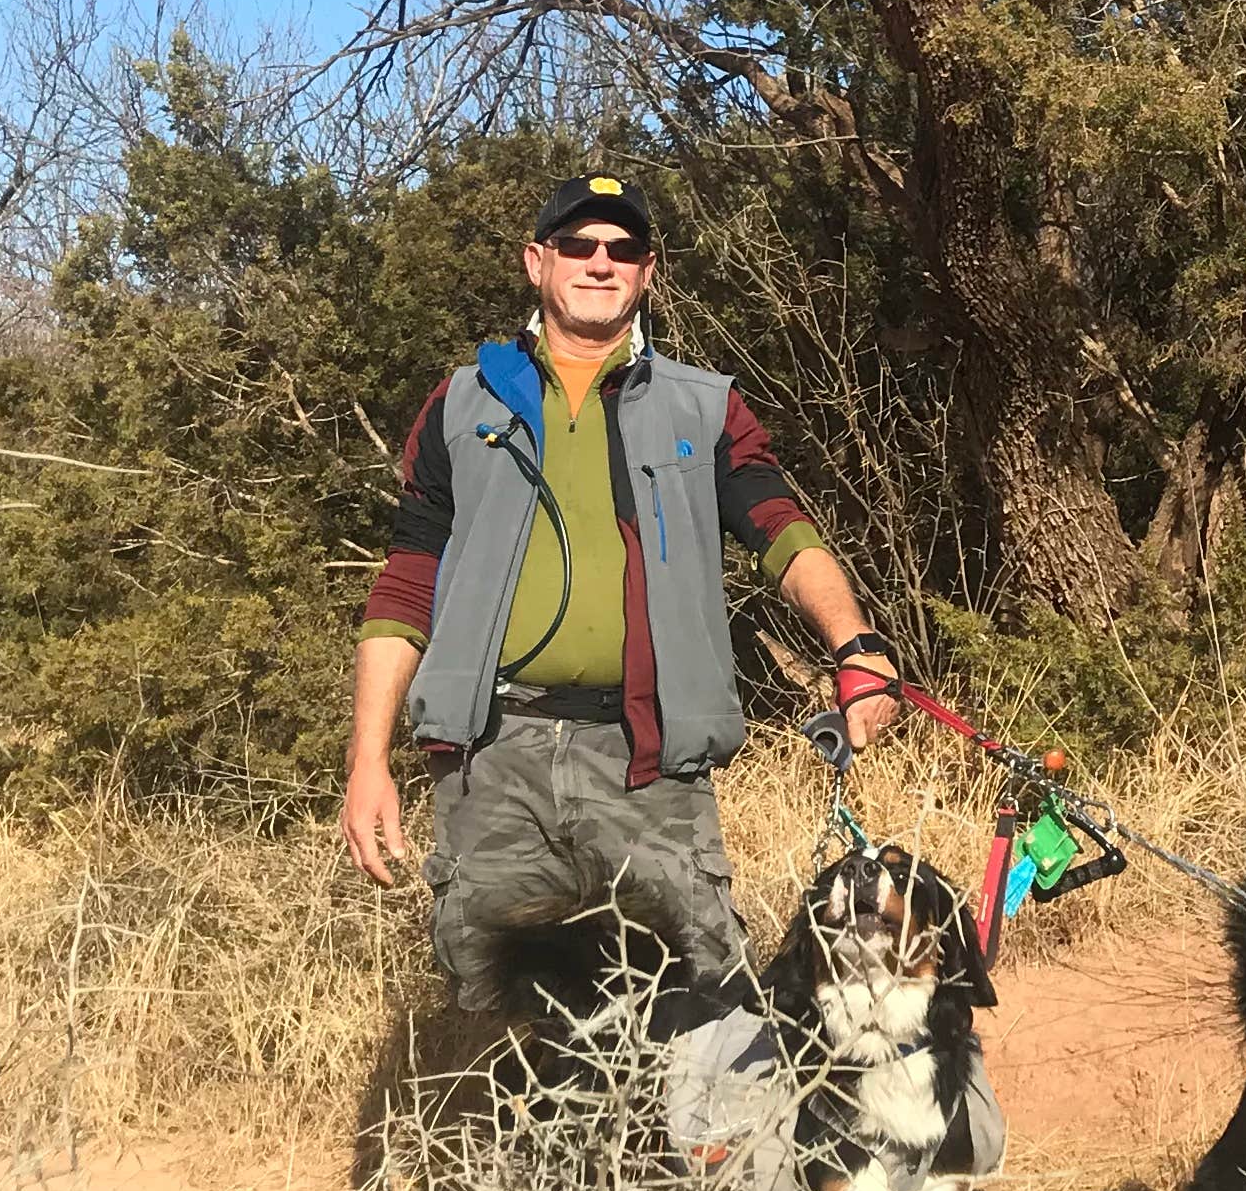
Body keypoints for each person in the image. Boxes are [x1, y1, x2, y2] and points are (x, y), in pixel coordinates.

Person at [338, 169, 904, 1057]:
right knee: (511, 1016)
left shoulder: (702, 405)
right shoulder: (462, 404)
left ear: (649, 273)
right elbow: (407, 583)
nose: (600, 263)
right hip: (495, 759)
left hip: (648, 762)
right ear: (538, 262)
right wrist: (367, 758)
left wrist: (855, 642)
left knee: (699, 1006)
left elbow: (780, 528)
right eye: (578, 245)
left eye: (624, 249)